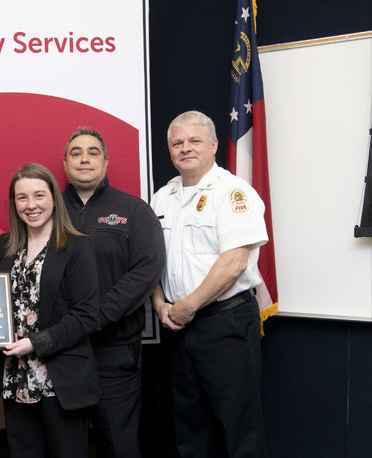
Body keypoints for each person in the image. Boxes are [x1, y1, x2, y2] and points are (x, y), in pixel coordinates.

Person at [150, 110, 268, 458]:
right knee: (189, 427)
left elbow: (234, 263)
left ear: (214, 145)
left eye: (194, 141)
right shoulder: (162, 198)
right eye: (177, 143)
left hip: (224, 323)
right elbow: (151, 261)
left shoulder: (233, 193)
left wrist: (187, 306)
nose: (185, 148)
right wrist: (160, 304)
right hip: (176, 327)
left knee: (239, 427)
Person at [61, 127, 165, 458]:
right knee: (65, 443)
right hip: (60, 351)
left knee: (118, 443)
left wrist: (97, 316)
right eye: (76, 153)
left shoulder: (134, 211)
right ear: (65, 164)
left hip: (114, 349)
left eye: (93, 152)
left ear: (106, 162)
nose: (84, 158)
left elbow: (146, 270)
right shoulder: (46, 210)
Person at [0, 162, 101, 458]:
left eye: (39, 195)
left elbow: (86, 315)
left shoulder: (77, 246)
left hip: (60, 379)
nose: (31, 205)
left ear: (54, 197)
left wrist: (35, 343)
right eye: (22, 197)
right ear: (13, 203)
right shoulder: (5, 246)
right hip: (15, 378)